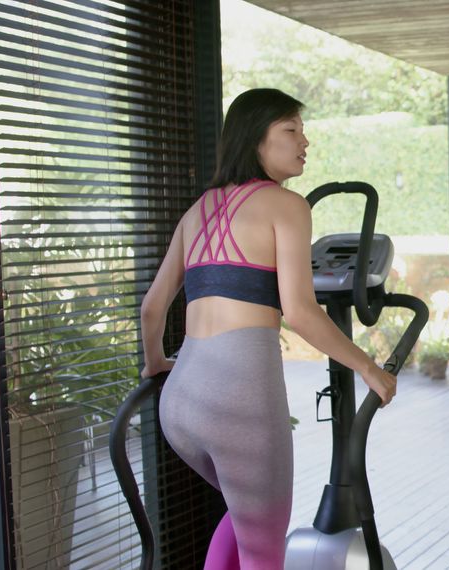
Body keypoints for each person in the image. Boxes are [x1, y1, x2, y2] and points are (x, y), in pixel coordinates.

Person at [138, 88, 397, 570]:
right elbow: (299, 312)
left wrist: (156, 363)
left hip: (181, 407)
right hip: (240, 402)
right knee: (264, 554)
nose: (305, 141)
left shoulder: (199, 211)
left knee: (245, 518)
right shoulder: (286, 205)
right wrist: (369, 368)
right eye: (291, 130)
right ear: (257, 139)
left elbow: (152, 309)